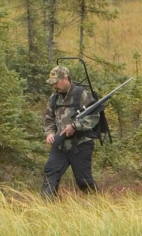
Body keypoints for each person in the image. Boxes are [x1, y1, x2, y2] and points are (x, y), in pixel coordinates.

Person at [42, 65, 100, 196]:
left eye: (56, 82)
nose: (54, 86)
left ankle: (99, 202)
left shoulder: (82, 94)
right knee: (50, 174)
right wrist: (50, 133)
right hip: (60, 145)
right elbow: (49, 120)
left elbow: (94, 117)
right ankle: (46, 204)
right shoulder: (53, 98)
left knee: (84, 181)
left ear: (65, 79)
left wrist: (75, 126)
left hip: (81, 144)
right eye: (52, 83)